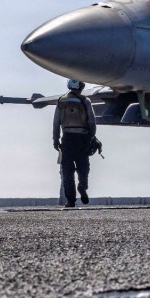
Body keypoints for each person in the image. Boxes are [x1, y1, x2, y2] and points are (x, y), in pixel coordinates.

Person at [53, 79, 97, 208]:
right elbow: (92, 122)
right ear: (81, 86)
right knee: (83, 167)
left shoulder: (61, 101)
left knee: (67, 171)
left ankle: (70, 201)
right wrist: (91, 137)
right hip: (82, 138)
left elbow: (56, 123)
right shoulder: (85, 101)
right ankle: (82, 186)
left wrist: (55, 139)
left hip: (66, 138)